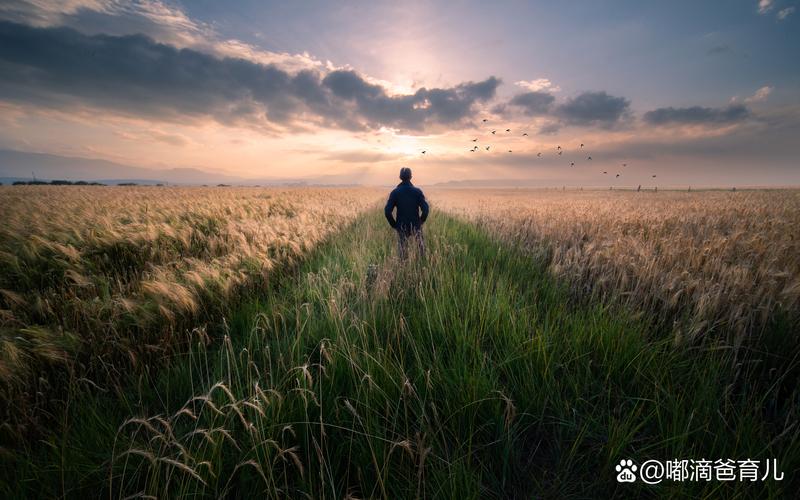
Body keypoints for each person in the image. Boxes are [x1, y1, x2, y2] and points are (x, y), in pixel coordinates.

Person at [384, 167, 429, 259]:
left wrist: (394, 225)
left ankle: (403, 268)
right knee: (421, 251)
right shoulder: (417, 191)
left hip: (401, 226)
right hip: (416, 225)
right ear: (411, 177)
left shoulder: (395, 192)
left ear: (400, 177)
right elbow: (426, 209)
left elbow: (387, 211)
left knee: (402, 253)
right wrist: (421, 221)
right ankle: (421, 265)